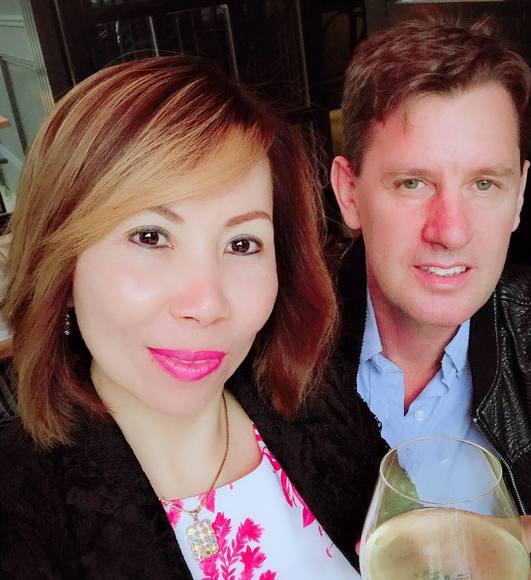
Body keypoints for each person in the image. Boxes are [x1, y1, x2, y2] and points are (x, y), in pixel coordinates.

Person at [0, 55, 376, 579]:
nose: (206, 303)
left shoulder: (324, 405)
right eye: (150, 236)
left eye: (242, 244)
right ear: (60, 267)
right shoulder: (19, 514)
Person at [327, 12, 531, 580]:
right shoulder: (273, 344)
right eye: (413, 183)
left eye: (484, 184)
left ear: (519, 196)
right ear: (350, 194)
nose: (451, 231)